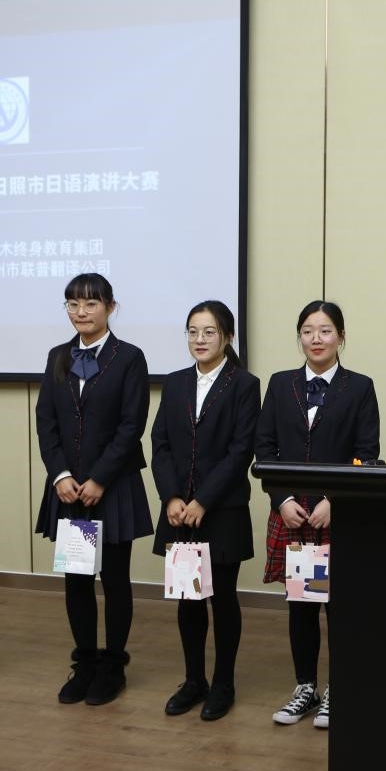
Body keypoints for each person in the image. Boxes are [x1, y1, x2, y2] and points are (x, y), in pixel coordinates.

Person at [257, 300, 379, 729]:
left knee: (339, 608)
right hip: (292, 514)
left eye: (325, 331)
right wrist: (281, 499)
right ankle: (305, 688)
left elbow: (367, 454)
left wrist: (335, 499)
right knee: (300, 606)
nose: (316, 339)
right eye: (308, 331)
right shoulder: (280, 384)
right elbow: (264, 448)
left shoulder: (359, 387)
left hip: (335, 515)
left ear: (341, 337)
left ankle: (338, 688)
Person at [35, 273, 153, 706]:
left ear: (110, 307)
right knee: (77, 579)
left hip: (112, 486)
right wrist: (60, 475)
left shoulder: (129, 358)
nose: (81, 312)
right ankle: (84, 664)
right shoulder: (58, 356)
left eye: (90, 304)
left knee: (115, 580)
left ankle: (113, 667)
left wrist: (100, 477)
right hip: (69, 490)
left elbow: (131, 425)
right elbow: (46, 421)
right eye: (73, 304)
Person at [151, 301, 260, 721]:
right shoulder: (176, 382)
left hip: (222, 510)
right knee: (188, 598)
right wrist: (171, 497)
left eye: (209, 332)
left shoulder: (244, 385)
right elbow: (160, 443)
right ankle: (193, 680)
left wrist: (203, 500)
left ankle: (223, 683)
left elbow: (240, 451)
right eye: (193, 332)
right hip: (179, 511)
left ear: (227, 337)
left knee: (223, 599)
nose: (200, 339)